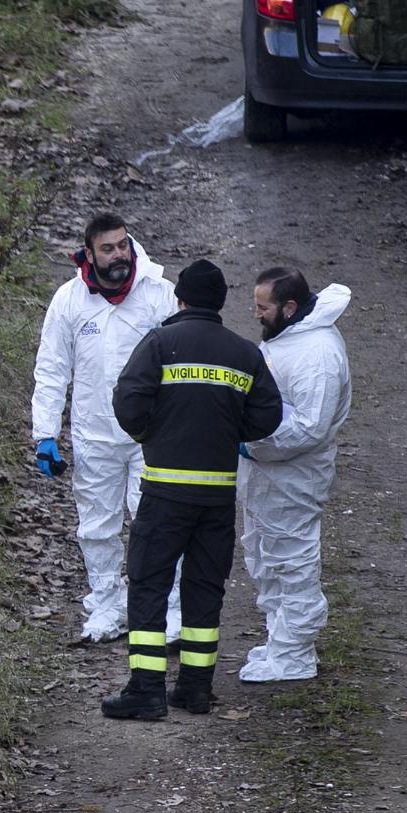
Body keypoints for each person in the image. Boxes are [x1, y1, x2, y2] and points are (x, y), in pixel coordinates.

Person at [102, 259, 283, 720]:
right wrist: (228, 432)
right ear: (220, 303)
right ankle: (195, 689)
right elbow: (268, 416)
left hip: (164, 492)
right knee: (204, 589)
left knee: (148, 585)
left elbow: (127, 400)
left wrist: (153, 432)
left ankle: (146, 690)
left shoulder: (161, 343)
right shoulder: (245, 353)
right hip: (217, 498)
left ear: (179, 300)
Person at [29, 211, 180, 640]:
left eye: (123, 245)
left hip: (152, 436)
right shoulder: (70, 300)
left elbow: (183, 358)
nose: (119, 255)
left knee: (155, 522)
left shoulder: (159, 295)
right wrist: (45, 434)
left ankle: (167, 610)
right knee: (97, 527)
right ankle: (106, 607)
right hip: (95, 434)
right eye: (108, 248)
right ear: (89, 253)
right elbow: (53, 368)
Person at [238, 265, 354, 684]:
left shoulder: (317, 354)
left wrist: (250, 443)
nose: (256, 314)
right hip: (267, 474)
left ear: (289, 306)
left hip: (292, 476)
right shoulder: (288, 337)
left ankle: (296, 654)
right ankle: (280, 641)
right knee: (265, 556)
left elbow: (309, 427)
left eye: (262, 307)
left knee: (292, 560)